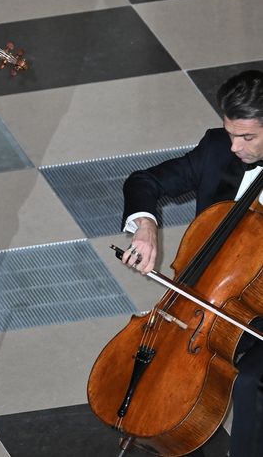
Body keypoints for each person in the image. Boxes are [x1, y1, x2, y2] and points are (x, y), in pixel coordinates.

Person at [120, 70, 263, 456]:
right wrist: (145, 225)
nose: (234, 146)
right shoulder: (217, 149)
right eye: (230, 133)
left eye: (246, 137)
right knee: (166, 368)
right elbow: (143, 182)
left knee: (253, 382)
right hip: (206, 303)